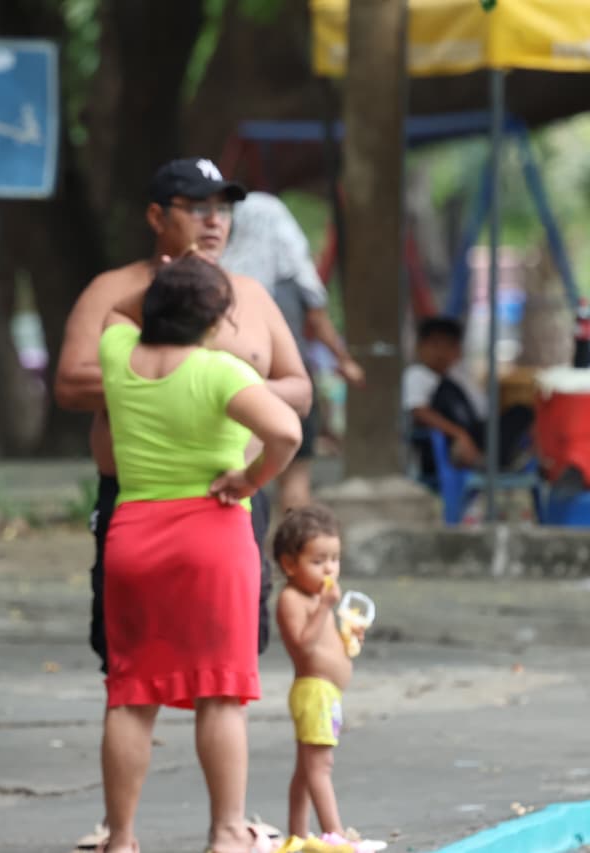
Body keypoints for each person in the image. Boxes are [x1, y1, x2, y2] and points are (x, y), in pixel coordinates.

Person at [97, 254, 301, 853]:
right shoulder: (220, 371)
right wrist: (249, 480)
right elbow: (287, 431)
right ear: (215, 318)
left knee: (131, 692)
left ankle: (121, 840)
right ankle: (226, 833)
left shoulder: (118, 355)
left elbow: (117, 308)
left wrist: (163, 284)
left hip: (133, 535)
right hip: (211, 536)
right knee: (221, 692)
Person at [221, 191, 366, 511]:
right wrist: (344, 361)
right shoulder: (294, 274)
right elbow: (318, 317)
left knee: (237, 470)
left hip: (231, 387)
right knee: (296, 478)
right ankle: (294, 555)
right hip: (287, 383)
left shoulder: (216, 278)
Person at [273, 505, 384, 852]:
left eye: (334, 559)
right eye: (318, 561)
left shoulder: (316, 598)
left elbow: (326, 644)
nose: (329, 569)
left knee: (307, 768)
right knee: (321, 766)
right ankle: (334, 835)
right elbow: (303, 645)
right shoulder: (293, 599)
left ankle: (297, 834)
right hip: (314, 692)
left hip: (326, 692)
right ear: (290, 565)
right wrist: (323, 607)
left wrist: (349, 638)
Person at [403, 315, 533, 477]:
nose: (440, 353)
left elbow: (482, 412)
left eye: (447, 346)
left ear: (457, 350)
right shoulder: (417, 375)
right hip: (446, 442)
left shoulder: (458, 376)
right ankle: (489, 461)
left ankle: (502, 459)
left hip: (473, 433)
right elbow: (419, 412)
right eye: (435, 345)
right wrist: (458, 434)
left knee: (521, 412)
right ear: (420, 347)